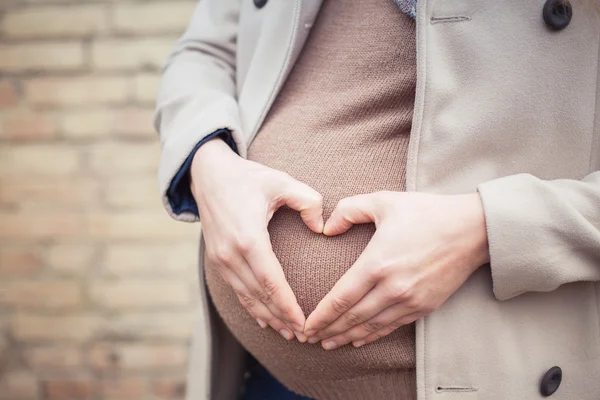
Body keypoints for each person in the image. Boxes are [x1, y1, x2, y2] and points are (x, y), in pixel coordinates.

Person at [154, 0, 600, 399]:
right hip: (263, 376)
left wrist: (487, 226)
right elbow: (204, 50)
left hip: (484, 377)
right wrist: (208, 162)